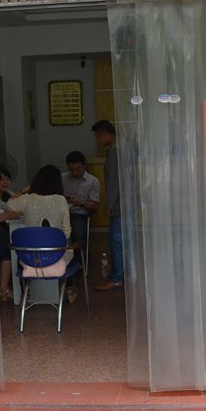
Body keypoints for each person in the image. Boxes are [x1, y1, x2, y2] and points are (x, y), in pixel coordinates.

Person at [7, 165, 74, 299]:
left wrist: (24, 190)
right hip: (55, 256)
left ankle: (26, 292)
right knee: (69, 245)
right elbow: (66, 232)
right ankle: (68, 289)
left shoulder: (27, 199)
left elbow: (9, 203)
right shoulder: (61, 200)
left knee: (22, 251)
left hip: (30, 258)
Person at [91, 120, 123, 290]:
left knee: (116, 243)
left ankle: (116, 278)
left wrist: (108, 204)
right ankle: (123, 275)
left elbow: (113, 181)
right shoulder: (123, 147)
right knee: (123, 242)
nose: (98, 141)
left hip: (118, 205)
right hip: (126, 203)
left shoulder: (114, 151)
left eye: (98, 137)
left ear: (105, 134)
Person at [61, 150, 100, 264]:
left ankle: (80, 262)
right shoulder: (62, 178)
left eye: (78, 169)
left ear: (84, 166)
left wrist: (81, 203)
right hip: (61, 212)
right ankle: (57, 260)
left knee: (77, 231)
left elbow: (95, 205)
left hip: (79, 213)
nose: (75, 172)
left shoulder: (93, 181)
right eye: (71, 169)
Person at [0, 167, 22, 302]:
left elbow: (12, 208)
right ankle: (4, 288)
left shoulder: (7, 194)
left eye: (7, 179)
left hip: (3, 228)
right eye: (1, 180)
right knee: (8, 248)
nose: (4, 183)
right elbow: (4, 213)